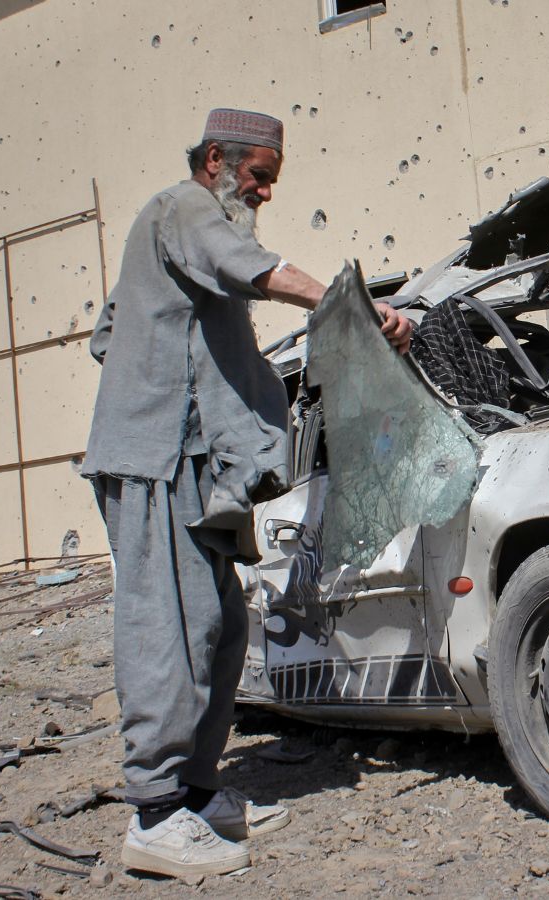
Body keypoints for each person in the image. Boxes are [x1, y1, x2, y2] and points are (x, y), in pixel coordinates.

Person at [81, 107, 411, 878]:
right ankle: (153, 816)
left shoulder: (175, 241)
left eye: (270, 180)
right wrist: (348, 305)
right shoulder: (184, 208)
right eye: (259, 175)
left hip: (194, 466)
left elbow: (109, 333)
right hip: (156, 463)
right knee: (169, 629)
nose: (264, 191)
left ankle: (195, 796)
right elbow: (253, 267)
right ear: (215, 163)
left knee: (222, 628)